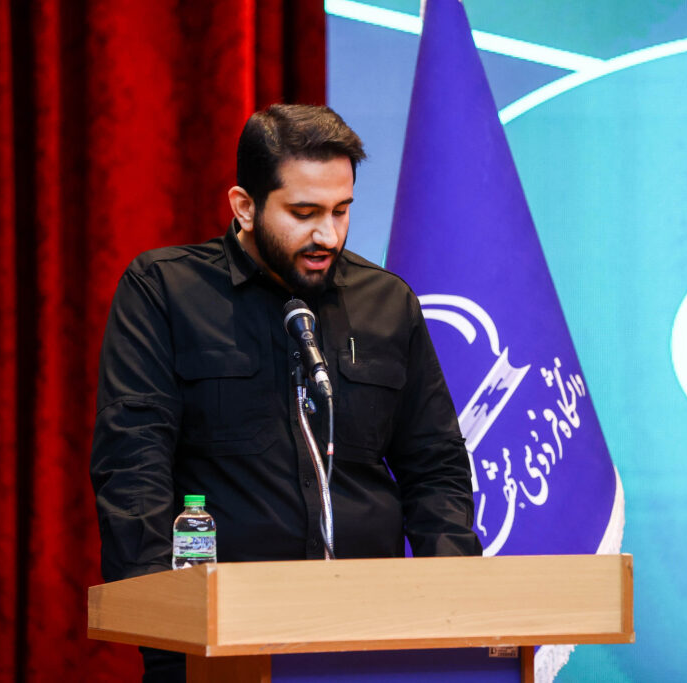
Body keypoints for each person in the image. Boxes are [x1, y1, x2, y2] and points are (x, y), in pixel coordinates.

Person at [90, 104, 482, 681]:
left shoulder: (387, 303)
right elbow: (132, 466)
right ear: (244, 206)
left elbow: (435, 466)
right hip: (218, 641)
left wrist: (454, 612)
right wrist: (166, 627)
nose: (328, 235)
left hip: (371, 640)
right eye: (304, 213)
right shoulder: (164, 292)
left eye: (341, 210)